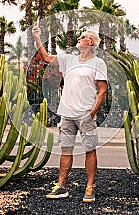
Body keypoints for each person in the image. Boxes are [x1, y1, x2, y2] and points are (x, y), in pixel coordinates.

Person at [32, 21, 108, 203]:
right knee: (66, 150)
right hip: (67, 114)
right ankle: (61, 186)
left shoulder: (98, 63)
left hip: (85, 115)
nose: (79, 38)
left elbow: (102, 90)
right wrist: (36, 37)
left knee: (89, 149)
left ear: (90, 43)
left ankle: (89, 188)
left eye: (83, 37)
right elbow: (45, 57)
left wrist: (91, 113)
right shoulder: (68, 59)